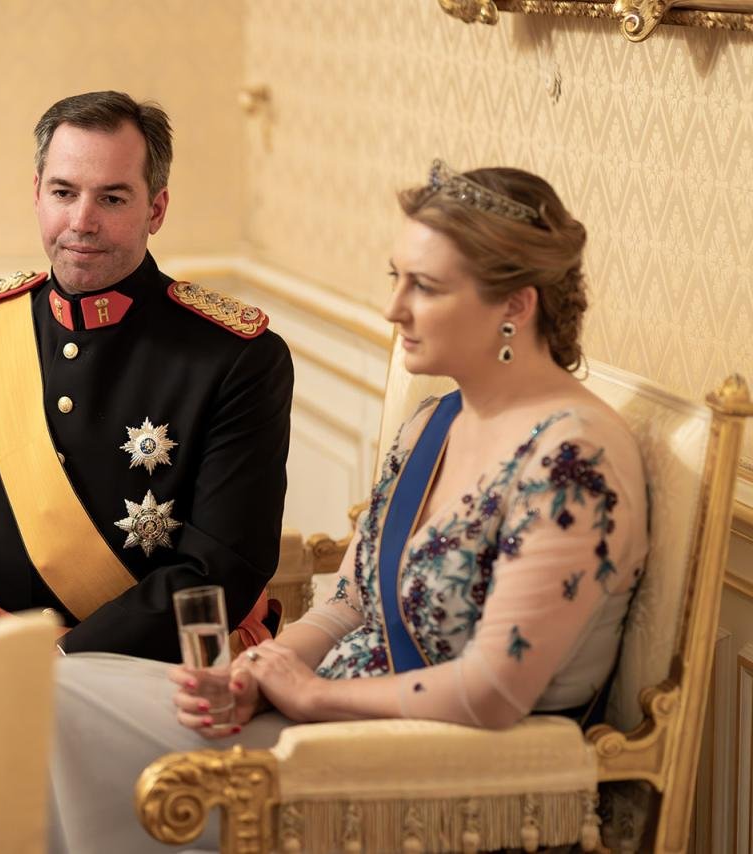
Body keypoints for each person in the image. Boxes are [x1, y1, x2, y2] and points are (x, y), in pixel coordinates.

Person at [48, 162, 649, 852]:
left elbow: (493, 692)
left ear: (516, 303)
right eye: (397, 277)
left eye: (424, 286)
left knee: (79, 725)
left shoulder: (575, 462)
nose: (394, 309)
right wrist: (254, 680)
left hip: (425, 774)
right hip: (328, 727)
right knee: (63, 687)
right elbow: (351, 604)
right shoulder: (436, 423)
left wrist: (309, 696)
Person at [0, 91, 294, 661]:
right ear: (36, 195)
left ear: (156, 209)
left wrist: (60, 663)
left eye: (113, 197)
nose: (82, 221)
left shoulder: (236, 356)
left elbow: (220, 566)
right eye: (63, 192)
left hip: (162, 671)